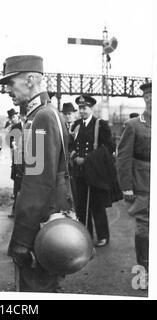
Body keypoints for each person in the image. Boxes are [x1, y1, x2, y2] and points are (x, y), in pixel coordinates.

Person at [0, 55, 72, 292]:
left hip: (40, 224)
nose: (7, 90)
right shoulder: (47, 114)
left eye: (11, 82)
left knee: (35, 289)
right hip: (49, 220)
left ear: (30, 79)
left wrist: (21, 241)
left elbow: (38, 184)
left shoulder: (41, 117)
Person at [69, 94, 118, 247]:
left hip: (95, 171)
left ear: (91, 108)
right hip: (79, 172)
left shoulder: (100, 125)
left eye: (85, 108)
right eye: (80, 108)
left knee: (97, 204)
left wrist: (88, 159)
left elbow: (109, 147)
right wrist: (75, 156)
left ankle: (103, 236)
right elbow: (70, 144)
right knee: (81, 205)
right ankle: (86, 235)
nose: (82, 111)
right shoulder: (75, 125)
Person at [117, 82, 151, 288]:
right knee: (144, 230)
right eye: (150, 97)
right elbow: (123, 158)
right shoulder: (134, 125)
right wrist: (127, 187)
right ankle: (144, 271)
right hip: (143, 186)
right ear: (146, 99)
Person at [7, 110, 26, 218]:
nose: (24, 117)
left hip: (27, 160)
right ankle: (14, 210)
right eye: (23, 115)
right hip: (17, 160)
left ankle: (22, 211)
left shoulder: (32, 125)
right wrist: (13, 144)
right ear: (21, 116)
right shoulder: (15, 127)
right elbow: (9, 140)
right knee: (16, 186)